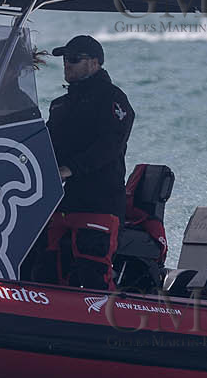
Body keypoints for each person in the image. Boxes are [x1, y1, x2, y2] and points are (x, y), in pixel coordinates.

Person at [28, 34, 135, 290]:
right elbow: (46, 144)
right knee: (45, 271)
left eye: (75, 59)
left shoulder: (113, 99)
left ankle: (109, 322)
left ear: (95, 63)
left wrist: (70, 169)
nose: (67, 64)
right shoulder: (60, 105)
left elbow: (109, 146)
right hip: (62, 202)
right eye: (65, 60)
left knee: (92, 273)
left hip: (99, 203)